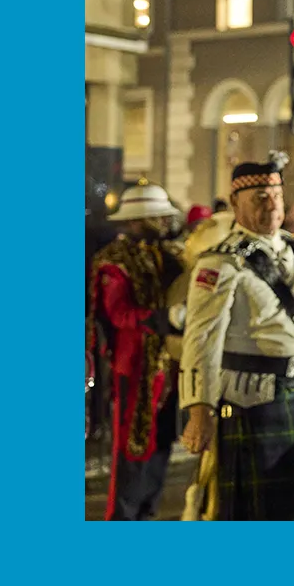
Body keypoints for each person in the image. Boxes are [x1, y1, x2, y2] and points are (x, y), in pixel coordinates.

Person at [178, 153, 294, 520]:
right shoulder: (220, 262)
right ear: (235, 204)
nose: (271, 205)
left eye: (277, 196)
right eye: (260, 198)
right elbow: (201, 339)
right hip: (250, 400)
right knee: (254, 511)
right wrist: (199, 410)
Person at [86, 179, 185, 520]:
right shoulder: (114, 261)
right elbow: (119, 314)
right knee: (132, 448)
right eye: (157, 217)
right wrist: (162, 318)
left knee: (162, 444)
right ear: (138, 220)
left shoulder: (170, 255)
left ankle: (147, 514)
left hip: (168, 366)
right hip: (135, 368)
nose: (165, 222)